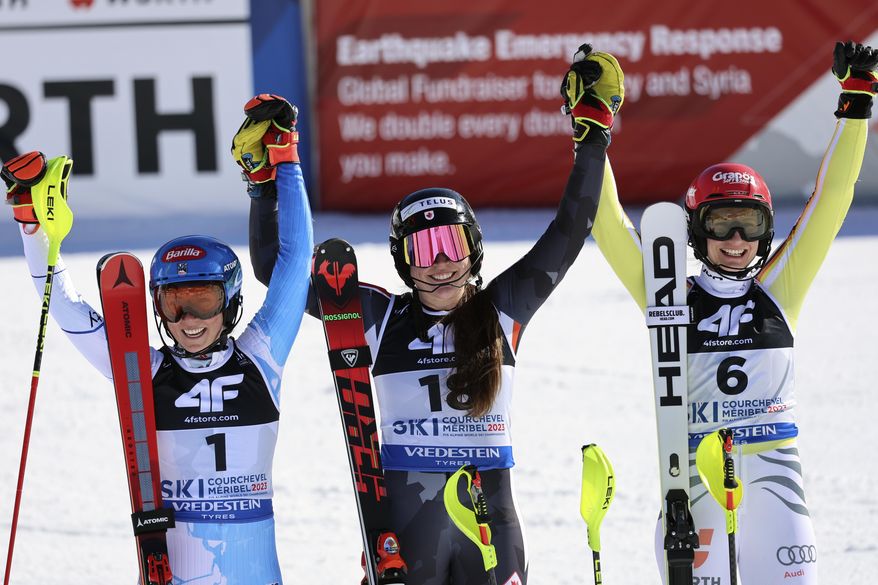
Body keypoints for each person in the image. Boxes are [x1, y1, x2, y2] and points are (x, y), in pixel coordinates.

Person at [249, 47, 623, 585]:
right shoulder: (377, 317)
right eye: (423, 251)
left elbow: (571, 227)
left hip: (492, 523)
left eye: (451, 244)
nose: (442, 263)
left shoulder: (503, 309)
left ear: (473, 249)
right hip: (407, 525)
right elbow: (271, 269)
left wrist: (593, 130)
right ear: (403, 262)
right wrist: (265, 180)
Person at [592, 41, 877, 584]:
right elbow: (607, 223)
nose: (736, 240)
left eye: (748, 224)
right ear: (698, 231)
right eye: (721, 224)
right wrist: (592, 131)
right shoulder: (667, 293)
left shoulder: (780, 289)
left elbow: (833, 198)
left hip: (776, 492)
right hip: (693, 489)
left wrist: (856, 99)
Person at [3, 94, 312, 583]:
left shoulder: (262, 357)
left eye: (203, 301)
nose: (188, 319)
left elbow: (296, 261)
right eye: (173, 304)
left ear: (230, 302)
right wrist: (31, 226)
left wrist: (286, 157)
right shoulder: (141, 371)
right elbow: (62, 308)